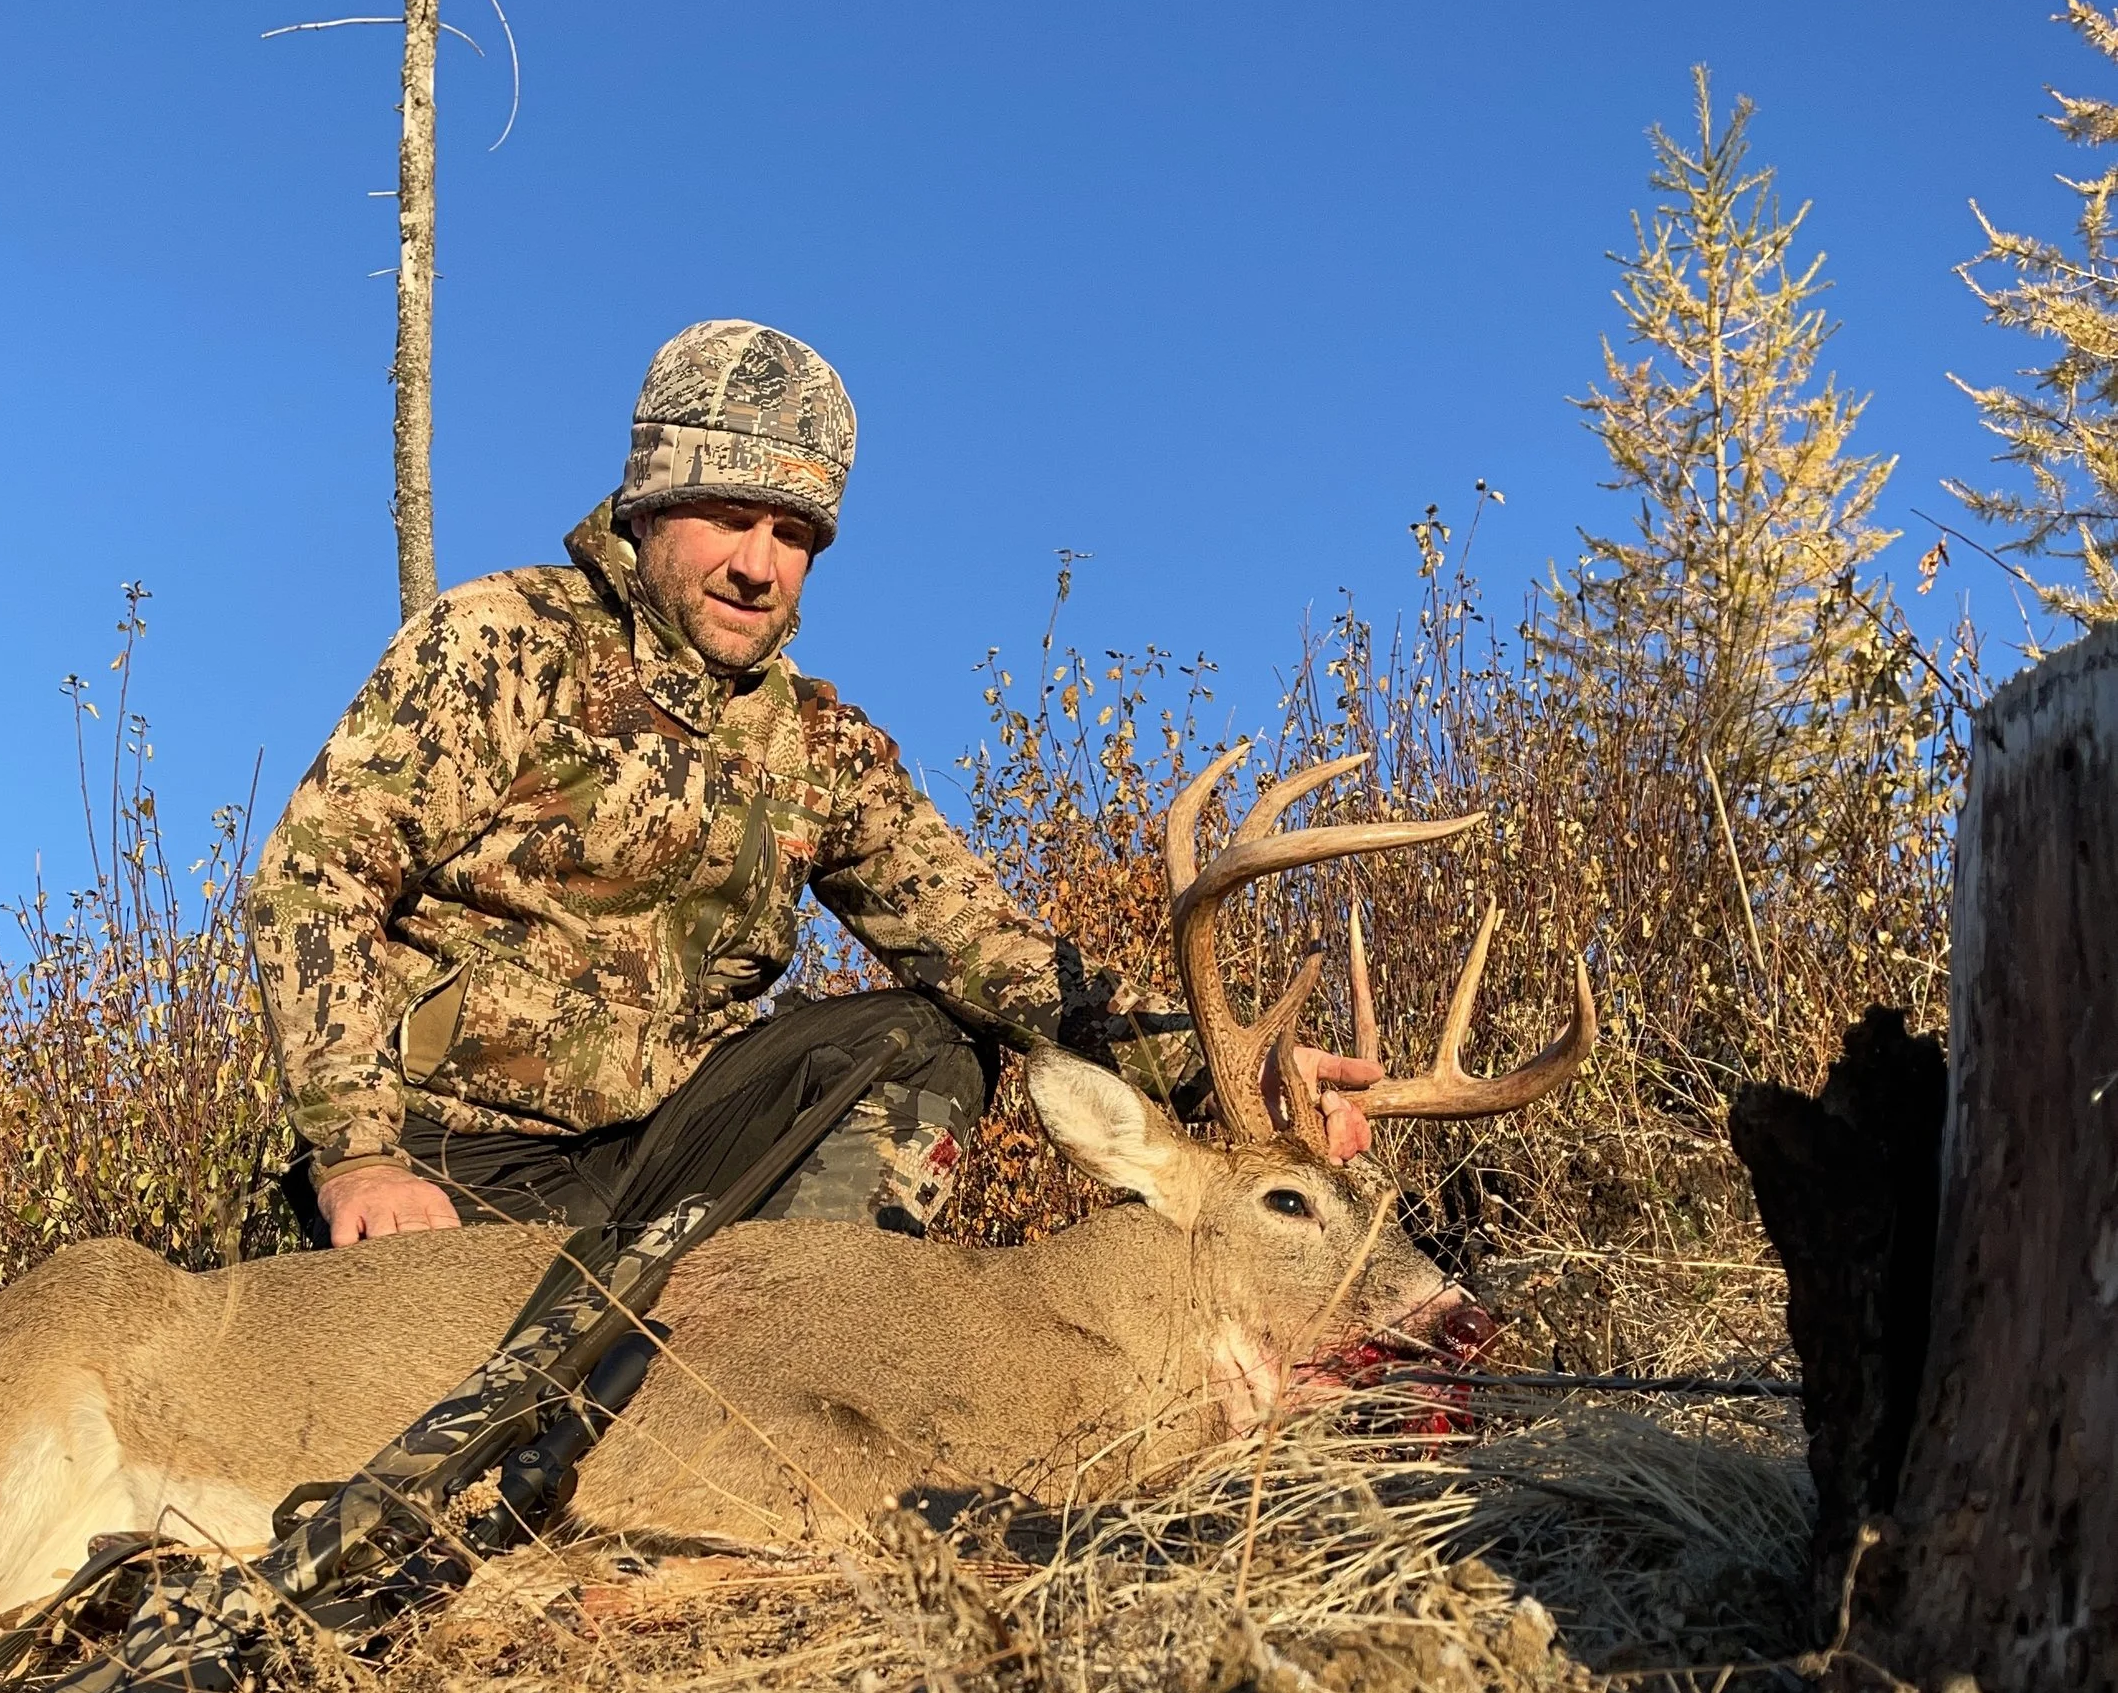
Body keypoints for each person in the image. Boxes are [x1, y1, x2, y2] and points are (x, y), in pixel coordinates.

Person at [249, 322, 1375, 1248]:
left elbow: (992, 952)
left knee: (921, 1041)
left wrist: (1234, 1072)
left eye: (794, 534)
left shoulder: (818, 743)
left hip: (669, 1165)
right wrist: (358, 1157)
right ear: (643, 510)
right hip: (452, 1158)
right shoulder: (502, 643)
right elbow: (316, 874)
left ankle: (796, 1353)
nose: (759, 564)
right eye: (729, 517)